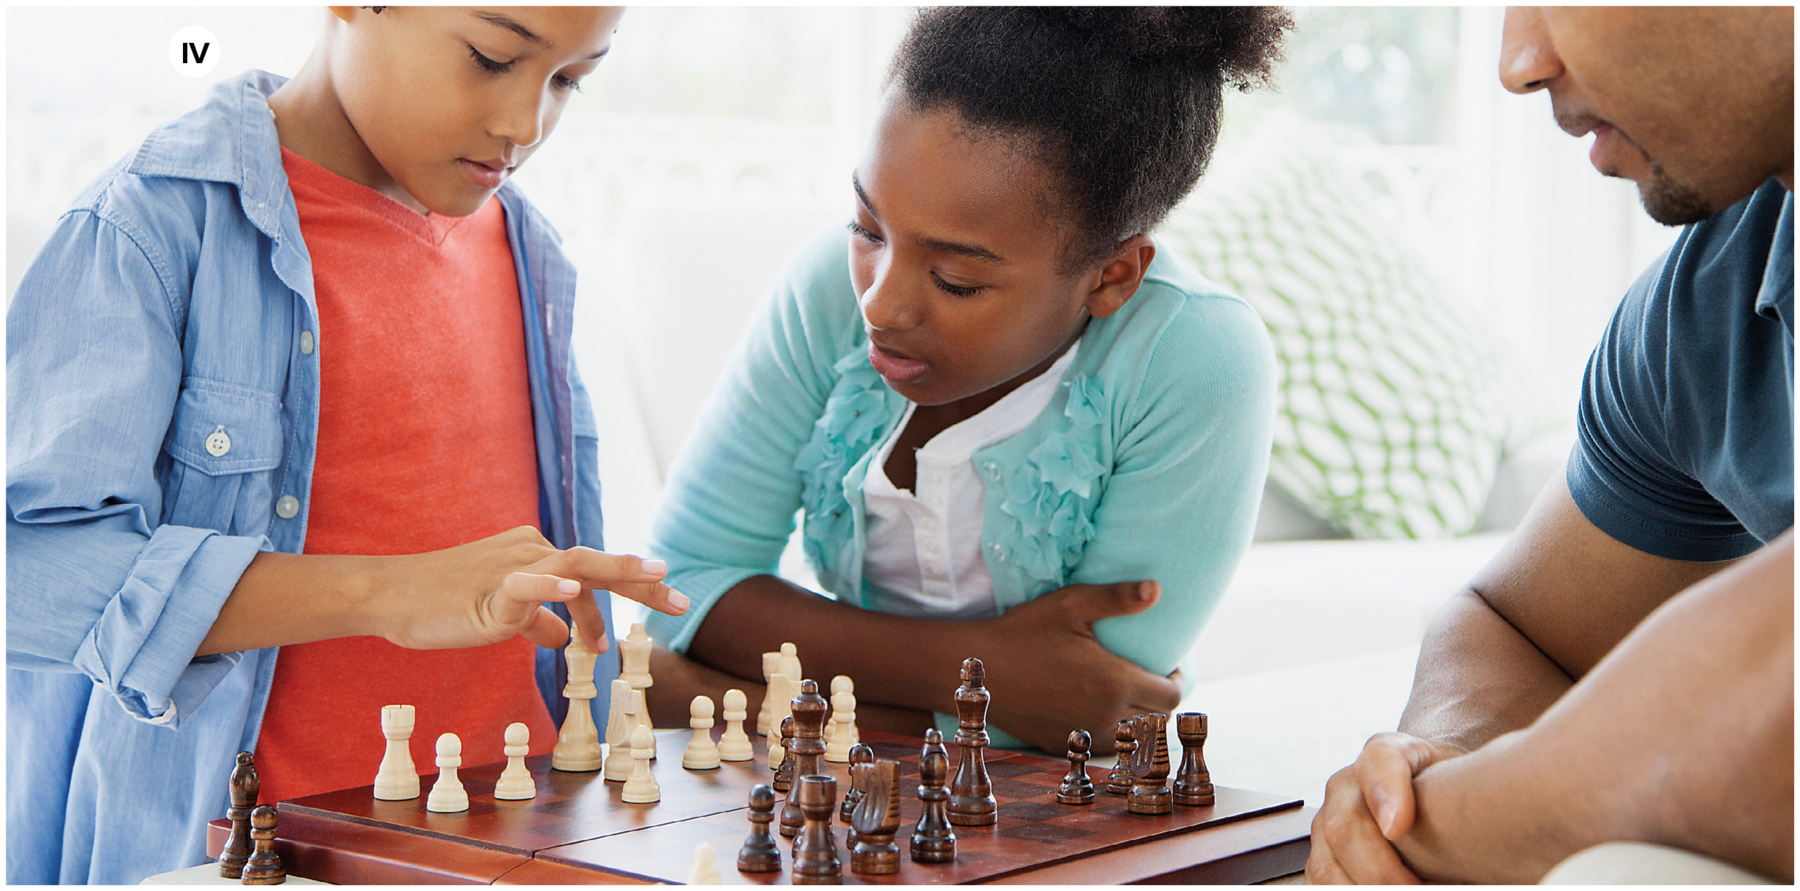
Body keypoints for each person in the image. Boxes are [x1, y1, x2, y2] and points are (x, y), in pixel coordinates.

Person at [6, 7, 687, 883]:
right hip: (251, 860)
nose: (526, 123)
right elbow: (29, 574)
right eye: (491, 57)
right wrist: (387, 589)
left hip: (514, 849)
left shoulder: (532, 253)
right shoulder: (148, 225)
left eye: (568, 81)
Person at [639, 7, 1292, 754]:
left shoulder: (1196, 361)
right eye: (867, 228)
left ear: (1111, 276)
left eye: (954, 280)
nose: (878, 301)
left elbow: (1086, 711)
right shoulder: (826, 288)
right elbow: (678, 584)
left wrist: (725, 697)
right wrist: (980, 677)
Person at [1306, 7, 1793, 884]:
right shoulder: (1703, 307)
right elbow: (1519, 631)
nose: (1518, 66)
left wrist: (1474, 820)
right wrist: (1434, 762)